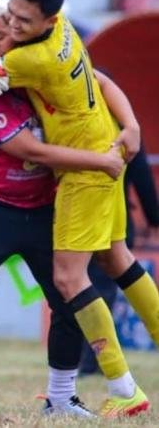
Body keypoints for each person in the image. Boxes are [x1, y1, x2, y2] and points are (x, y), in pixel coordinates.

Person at [0, 0, 159, 417]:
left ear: (49, 20)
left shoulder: (34, 61)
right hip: (107, 147)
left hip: (84, 168)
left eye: (23, 21)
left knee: (69, 279)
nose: (11, 26)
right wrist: (131, 125)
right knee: (117, 256)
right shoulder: (66, 30)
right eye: (11, 13)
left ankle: (123, 387)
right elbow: (103, 81)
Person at [0, 0, 126, 418]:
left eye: (3, 35)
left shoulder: (41, 71)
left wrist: (132, 125)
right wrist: (102, 161)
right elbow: (33, 150)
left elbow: (101, 81)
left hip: (43, 206)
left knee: (69, 298)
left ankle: (61, 397)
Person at [79, 145, 159, 374]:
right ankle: (90, 362)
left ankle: (83, 360)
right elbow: (142, 175)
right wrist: (153, 218)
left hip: (78, 218)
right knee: (100, 290)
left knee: (76, 289)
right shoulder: (124, 129)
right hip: (114, 221)